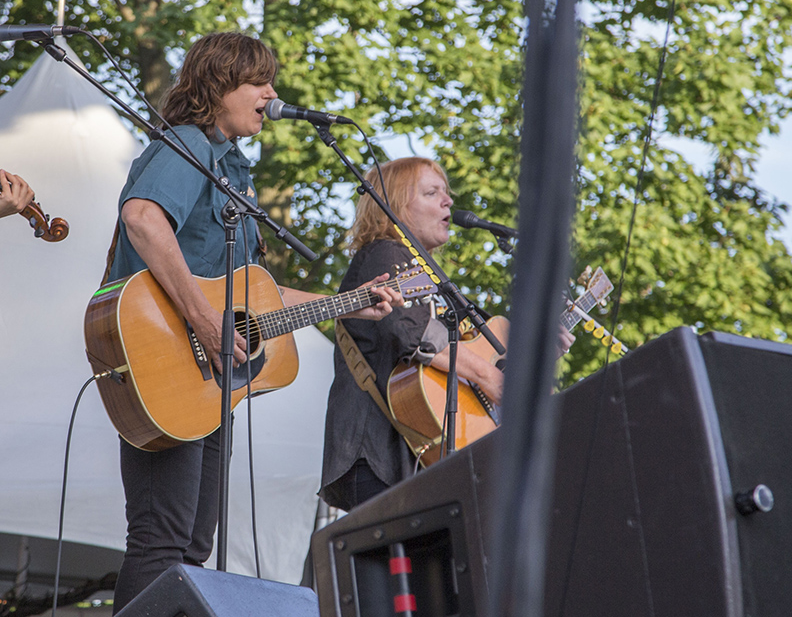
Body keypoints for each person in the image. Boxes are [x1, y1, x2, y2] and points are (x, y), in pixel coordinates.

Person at [105, 32, 402, 614]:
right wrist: (204, 319)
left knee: (193, 542)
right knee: (161, 536)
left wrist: (347, 302)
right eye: (258, 81)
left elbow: (249, 293)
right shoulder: (187, 144)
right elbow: (141, 218)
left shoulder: (233, 170)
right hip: (165, 356)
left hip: (210, 377)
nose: (271, 93)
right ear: (218, 86)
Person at [320, 157, 575, 511]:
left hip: (415, 454)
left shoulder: (425, 272)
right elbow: (410, 331)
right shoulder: (385, 253)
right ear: (392, 205)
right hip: (380, 452)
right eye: (431, 192)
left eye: (446, 192)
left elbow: (484, 354)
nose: (448, 202)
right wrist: (488, 376)